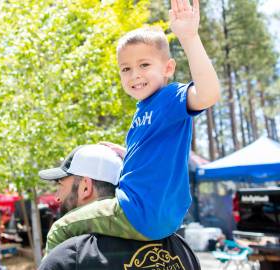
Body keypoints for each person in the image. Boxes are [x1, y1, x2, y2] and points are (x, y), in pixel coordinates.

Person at [44, 0, 221, 253]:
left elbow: (208, 94)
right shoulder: (144, 111)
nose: (134, 74)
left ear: (168, 68)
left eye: (144, 65)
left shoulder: (169, 99)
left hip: (136, 210)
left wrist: (189, 37)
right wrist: (128, 153)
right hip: (161, 215)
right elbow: (156, 161)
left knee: (60, 228)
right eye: (126, 69)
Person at [38, 145, 201, 269]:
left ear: (85, 187)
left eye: (61, 186)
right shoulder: (180, 248)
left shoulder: (68, 256)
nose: (57, 196)